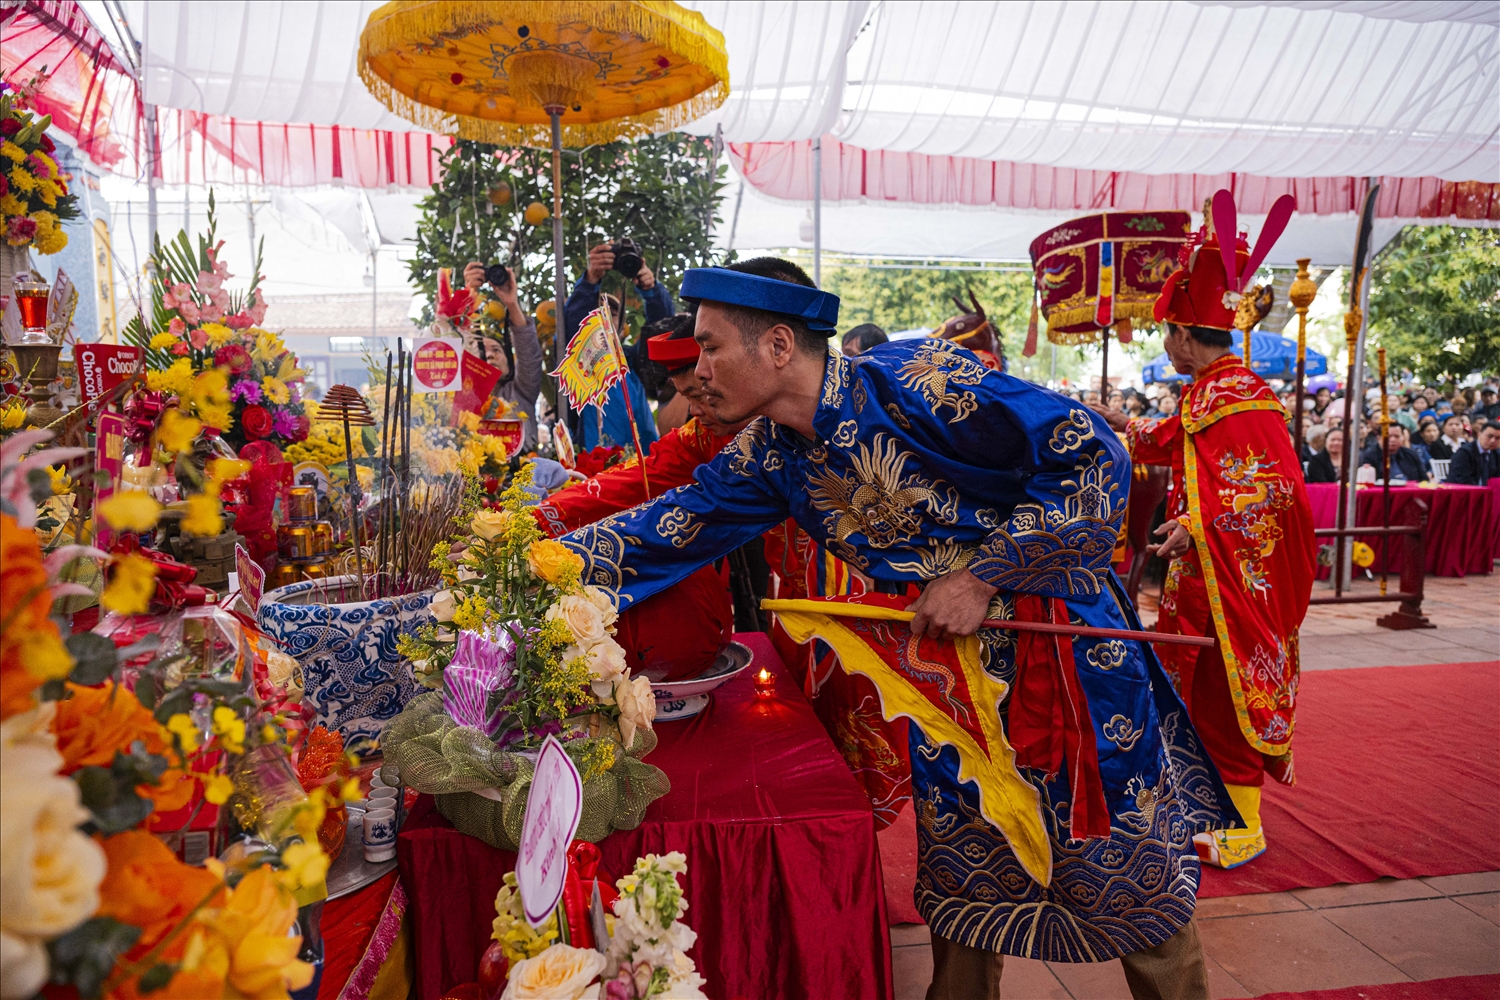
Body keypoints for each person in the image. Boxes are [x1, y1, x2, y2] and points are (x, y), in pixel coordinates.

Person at [559, 256, 1233, 999]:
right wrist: (532, 565)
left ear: (778, 346)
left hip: (1067, 658)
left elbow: (1092, 454)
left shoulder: (919, 378)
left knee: (1125, 865)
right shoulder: (770, 455)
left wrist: (984, 576)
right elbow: (666, 528)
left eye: (712, 347)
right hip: (949, 677)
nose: (699, 368)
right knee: (967, 872)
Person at [1096, 196, 1314, 874]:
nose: (1165, 346)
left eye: (1167, 334)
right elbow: (1169, 449)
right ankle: (1206, 803)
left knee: (1224, 691)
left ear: (1187, 339)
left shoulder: (1232, 397)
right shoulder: (1211, 395)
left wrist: (1200, 526)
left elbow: (1270, 495)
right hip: (1204, 573)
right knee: (1195, 685)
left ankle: (1243, 824)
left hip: (1235, 578)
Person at [563, 243, 670, 454]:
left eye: (611, 313)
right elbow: (573, 324)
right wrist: (590, 279)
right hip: (593, 464)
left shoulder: (632, 361)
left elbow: (663, 331)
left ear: (622, 329)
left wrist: (651, 290)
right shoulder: (580, 363)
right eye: (596, 311)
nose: (603, 316)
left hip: (641, 463)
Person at [461, 262, 545, 448]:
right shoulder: (463, 397)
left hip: (522, 474)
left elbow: (529, 355)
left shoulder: (522, 391)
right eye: (482, 351)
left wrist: (512, 303)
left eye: (497, 350)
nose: (490, 356)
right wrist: (469, 293)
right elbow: (452, 342)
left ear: (510, 364)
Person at [1359, 425, 1430, 483]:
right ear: (1378, 438)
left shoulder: (1411, 454)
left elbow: (1424, 479)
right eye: (1388, 436)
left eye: (1397, 436)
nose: (1393, 440)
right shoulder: (1369, 456)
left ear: (1403, 438)